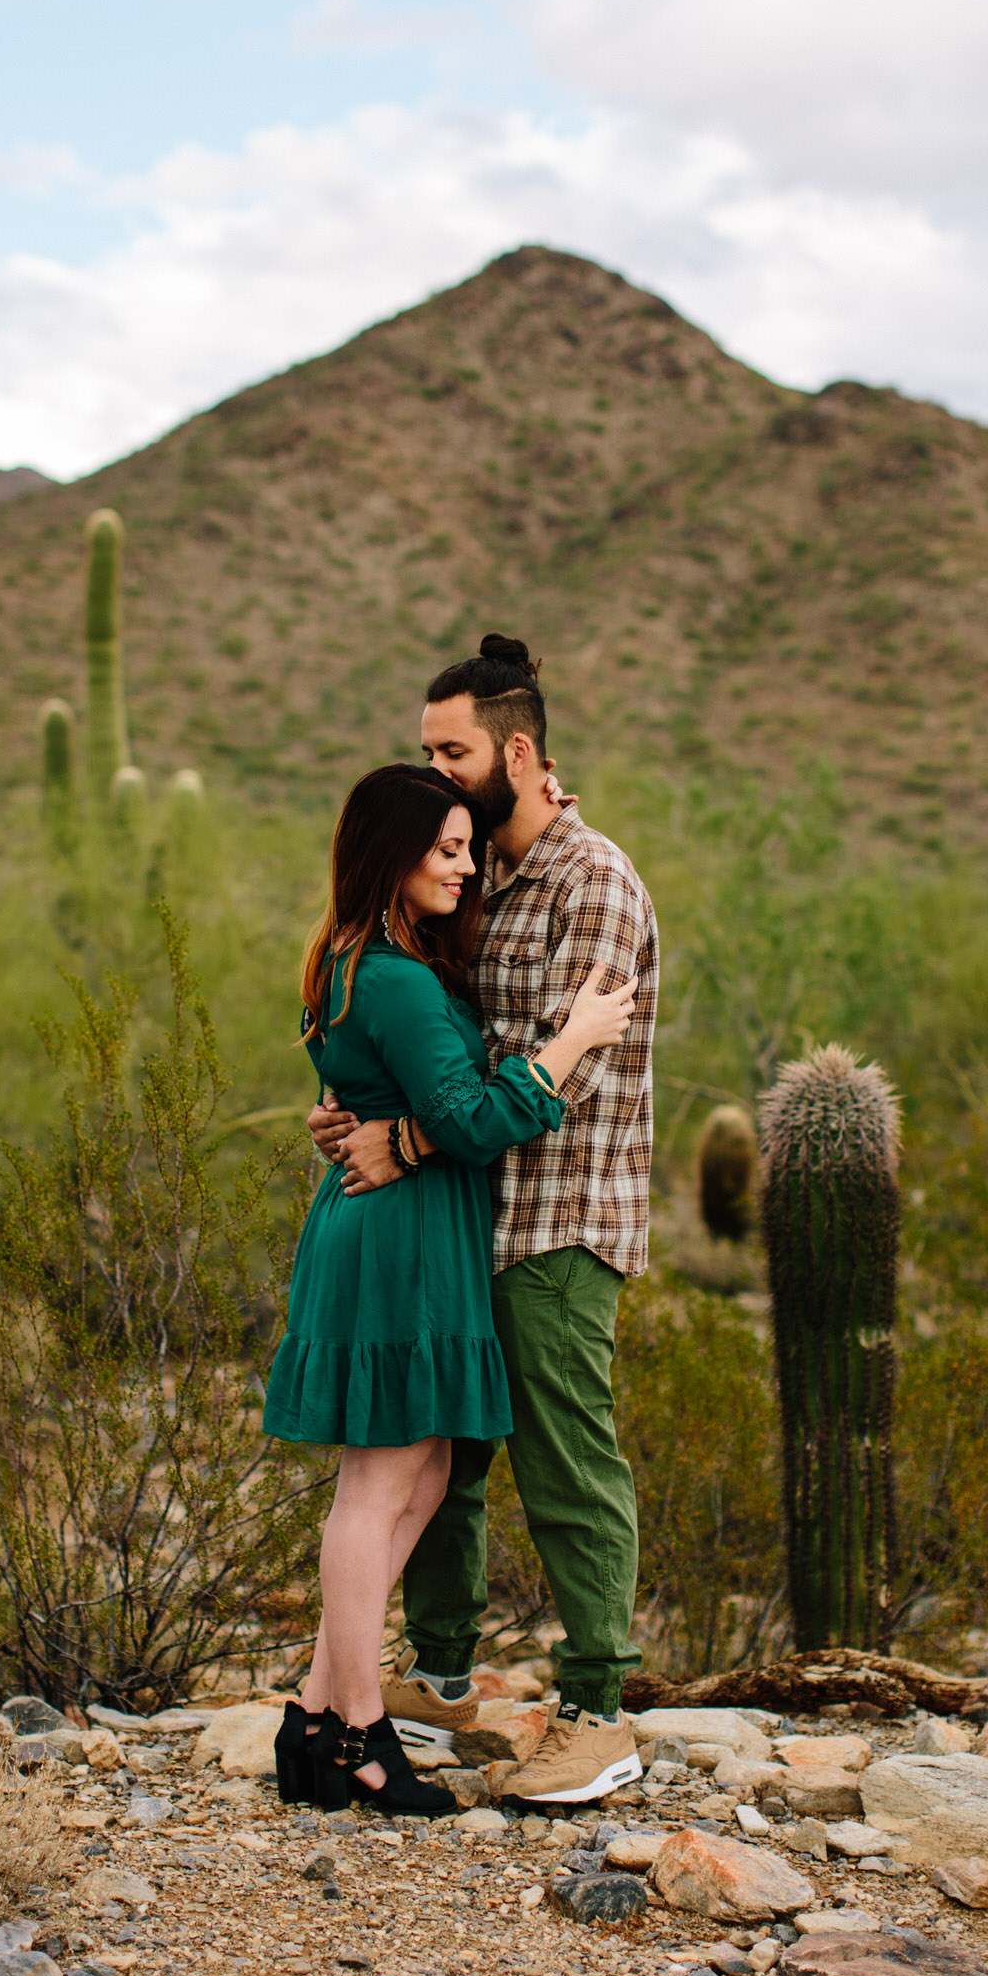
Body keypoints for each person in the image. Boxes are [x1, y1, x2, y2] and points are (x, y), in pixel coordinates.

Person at [310, 638, 659, 1807]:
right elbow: (429, 1038)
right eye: (427, 756)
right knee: (446, 1463)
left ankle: (600, 1711)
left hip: (559, 1220)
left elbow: (575, 1074)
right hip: (465, 1223)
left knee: (566, 1463)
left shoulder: (592, 882)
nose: (441, 776)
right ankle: (444, 1674)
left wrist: (405, 1139)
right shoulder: (485, 875)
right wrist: (365, 1106)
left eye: (453, 753)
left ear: (517, 751)